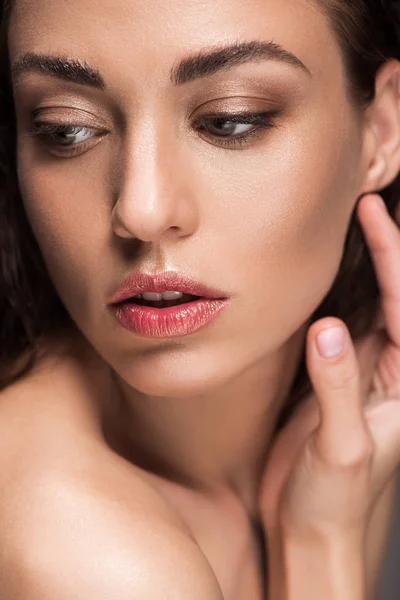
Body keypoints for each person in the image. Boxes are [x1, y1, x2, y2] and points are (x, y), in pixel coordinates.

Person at [0, 0, 399, 598]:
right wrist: (323, 546)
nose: (142, 210)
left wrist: (321, 525)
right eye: (66, 129)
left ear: (382, 131)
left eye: (230, 120)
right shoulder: (83, 553)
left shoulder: (342, 419)